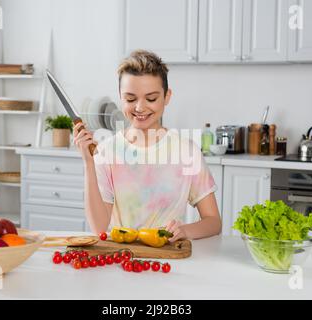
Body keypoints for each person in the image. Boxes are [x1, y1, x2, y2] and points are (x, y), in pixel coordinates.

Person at [73, 50, 221, 242]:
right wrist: (88, 164)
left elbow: (213, 222)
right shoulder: (107, 151)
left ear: (167, 97)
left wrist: (185, 231)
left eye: (151, 98)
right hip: (122, 261)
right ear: (120, 97)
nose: (140, 108)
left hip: (169, 261)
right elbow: (99, 228)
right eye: (131, 99)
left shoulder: (186, 151)